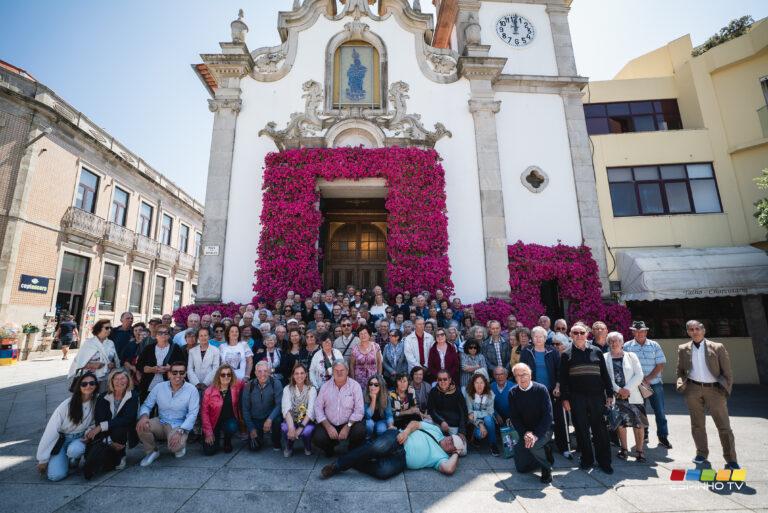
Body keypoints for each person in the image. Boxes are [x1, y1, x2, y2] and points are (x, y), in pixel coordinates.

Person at [676, 320, 738, 469]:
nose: (695, 332)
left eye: (697, 329)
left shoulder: (717, 347)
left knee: (724, 426)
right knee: (697, 425)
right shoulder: (683, 348)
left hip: (714, 390)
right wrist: (681, 384)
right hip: (693, 389)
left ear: (703, 330)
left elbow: (727, 372)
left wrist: (725, 389)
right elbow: (680, 370)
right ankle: (701, 453)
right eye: (691, 329)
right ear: (688, 332)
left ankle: (731, 459)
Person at [320, 419, 466, 480]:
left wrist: (456, 454)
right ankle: (337, 466)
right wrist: (406, 432)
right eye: (451, 438)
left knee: (383, 472)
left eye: (453, 444)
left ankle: (353, 458)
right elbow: (415, 423)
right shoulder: (437, 431)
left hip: (402, 460)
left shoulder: (442, 457)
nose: (449, 441)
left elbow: (448, 469)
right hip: (398, 438)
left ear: (453, 451)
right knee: (377, 448)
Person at [560, 322, 614, 474]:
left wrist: (610, 394)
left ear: (587, 334)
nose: (579, 335)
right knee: (581, 430)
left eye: (582, 332)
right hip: (577, 398)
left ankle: (604, 462)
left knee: (600, 430)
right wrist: (565, 399)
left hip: (597, 397)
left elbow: (604, 374)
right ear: (570, 335)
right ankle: (587, 460)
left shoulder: (597, 351)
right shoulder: (566, 354)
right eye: (575, 333)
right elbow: (563, 379)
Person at [136, 361, 199, 466]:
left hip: (179, 425)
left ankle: (180, 445)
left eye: (181, 372)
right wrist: (144, 417)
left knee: (175, 448)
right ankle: (152, 451)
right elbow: (147, 405)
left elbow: (193, 414)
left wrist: (180, 431)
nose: (178, 375)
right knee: (142, 425)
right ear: (169, 374)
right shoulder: (159, 387)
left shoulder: (192, 390)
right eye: (174, 372)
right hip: (161, 421)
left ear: (185, 374)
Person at [37, 372, 96, 481]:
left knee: (75, 450)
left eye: (92, 383)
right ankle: (61, 459)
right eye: (84, 384)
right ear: (78, 386)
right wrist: (43, 459)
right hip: (61, 440)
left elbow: (94, 423)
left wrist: (89, 432)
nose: (88, 386)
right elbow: (51, 431)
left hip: (80, 438)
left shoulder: (96, 402)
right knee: (55, 476)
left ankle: (74, 460)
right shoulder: (66, 405)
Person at [623, 320, 671, 449]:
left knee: (660, 411)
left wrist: (648, 379)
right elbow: (626, 365)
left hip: (654, 383)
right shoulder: (627, 346)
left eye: (642, 331)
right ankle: (644, 435)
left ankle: (663, 437)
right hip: (636, 386)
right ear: (633, 332)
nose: (639, 333)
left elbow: (660, 364)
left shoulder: (654, 345)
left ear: (646, 332)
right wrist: (636, 381)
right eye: (636, 331)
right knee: (640, 412)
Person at [82, 369, 139, 477]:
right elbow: (99, 419)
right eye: (116, 379)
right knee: (91, 456)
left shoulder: (133, 396)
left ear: (128, 381)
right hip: (105, 433)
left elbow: (128, 419)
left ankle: (120, 455)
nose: (119, 381)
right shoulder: (103, 397)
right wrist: (108, 440)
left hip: (123, 431)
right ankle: (108, 452)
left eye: (123, 378)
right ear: (111, 381)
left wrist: (102, 427)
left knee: (120, 428)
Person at [520, 326, 566, 457]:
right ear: (532, 338)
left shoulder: (552, 351)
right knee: (536, 419)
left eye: (541, 336)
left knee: (558, 418)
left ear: (545, 338)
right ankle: (538, 445)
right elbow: (522, 371)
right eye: (535, 336)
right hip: (534, 391)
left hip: (551, 390)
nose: (538, 339)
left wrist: (558, 386)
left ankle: (563, 447)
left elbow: (559, 371)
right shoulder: (526, 351)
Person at [604, 332, 648, 462]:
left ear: (622, 343)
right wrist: (619, 390)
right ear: (608, 343)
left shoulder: (631, 356)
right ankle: (624, 449)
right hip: (616, 395)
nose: (614, 343)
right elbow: (605, 377)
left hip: (633, 394)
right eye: (611, 341)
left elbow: (639, 374)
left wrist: (627, 389)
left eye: (617, 340)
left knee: (638, 424)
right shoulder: (604, 357)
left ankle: (640, 451)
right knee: (620, 424)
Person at [508, 363, 554, 484]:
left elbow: (548, 416)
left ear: (530, 375)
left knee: (534, 445)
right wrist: (525, 433)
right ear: (515, 378)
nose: (521, 378)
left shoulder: (541, 389)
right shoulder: (513, 392)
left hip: (544, 430)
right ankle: (544, 452)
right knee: (521, 468)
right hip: (526, 432)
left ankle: (546, 468)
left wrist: (536, 435)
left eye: (524, 374)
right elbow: (515, 418)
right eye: (518, 375)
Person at [312, 360, 366, 457]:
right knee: (317, 437)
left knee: (360, 431)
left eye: (342, 370)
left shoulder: (355, 386)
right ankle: (330, 447)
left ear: (347, 371)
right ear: (332, 371)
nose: (339, 373)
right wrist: (328, 426)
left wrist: (348, 426)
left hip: (349, 423)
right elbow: (318, 408)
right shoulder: (325, 387)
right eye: (336, 370)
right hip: (330, 423)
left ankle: (351, 449)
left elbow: (359, 410)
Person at [202, 364, 244, 455]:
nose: (226, 377)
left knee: (232, 426)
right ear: (218, 376)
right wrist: (208, 432)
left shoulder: (236, 386)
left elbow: (247, 384)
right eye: (223, 374)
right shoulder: (209, 391)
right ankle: (211, 436)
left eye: (229, 374)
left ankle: (227, 441)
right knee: (209, 451)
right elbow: (204, 413)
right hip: (213, 422)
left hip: (229, 420)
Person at [242, 361, 284, 451]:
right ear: (255, 373)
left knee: (277, 420)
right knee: (254, 448)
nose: (262, 374)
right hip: (256, 419)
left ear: (269, 372)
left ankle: (276, 441)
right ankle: (259, 435)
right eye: (259, 371)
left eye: (265, 371)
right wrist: (251, 428)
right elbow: (245, 409)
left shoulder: (276, 383)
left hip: (270, 417)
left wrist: (270, 419)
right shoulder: (249, 386)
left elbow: (279, 404)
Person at [69, 319, 118, 392]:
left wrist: (113, 364)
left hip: (106, 379)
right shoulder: (89, 343)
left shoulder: (111, 343)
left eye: (110, 328)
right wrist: (91, 365)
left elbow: (115, 360)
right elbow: (78, 362)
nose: (109, 330)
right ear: (99, 329)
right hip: (89, 379)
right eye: (107, 328)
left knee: (102, 397)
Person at [136, 326, 184, 400]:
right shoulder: (148, 348)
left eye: (166, 333)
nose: (163, 335)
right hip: (149, 385)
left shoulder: (176, 348)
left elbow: (183, 364)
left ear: (169, 335)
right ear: (156, 335)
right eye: (160, 333)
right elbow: (139, 365)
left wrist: (170, 368)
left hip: (169, 385)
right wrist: (150, 369)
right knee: (147, 405)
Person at [281, 363, 317, 457]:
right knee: (285, 427)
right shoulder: (287, 389)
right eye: (296, 373)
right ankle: (289, 446)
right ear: (293, 375)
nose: (299, 376)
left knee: (307, 430)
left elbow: (311, 411)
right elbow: (286, 409)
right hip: (292, 419)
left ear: (306, 375)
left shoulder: (312, 389)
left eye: (302, 373)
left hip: (306, 421)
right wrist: (291, 428)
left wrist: (299, 429)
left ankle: (307, 447)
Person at [464, 371, 498, 456]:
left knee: (488, 419)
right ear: (473, 384)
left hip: (488, 420)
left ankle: (493, 444)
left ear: (485, 384)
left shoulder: (490, 394)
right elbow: (470, 414)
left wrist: (475, 414)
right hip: (474, 422)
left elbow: (490, 412)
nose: (479, 385)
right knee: (480, 434)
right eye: (476, 383)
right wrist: (480, 424)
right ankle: (476, 439)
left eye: (481, 383)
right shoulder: (469, 394)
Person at [427, 370, 467, 436]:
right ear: (437, 380)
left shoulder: (457, 392)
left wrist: (462, 431)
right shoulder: (433, 391)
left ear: (450, 380)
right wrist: (441, 422)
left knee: (459, 442)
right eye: (440, 379)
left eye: (445, 379)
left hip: (453, 425)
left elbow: (464, 411)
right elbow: (431, 410)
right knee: (425, 424)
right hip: (438, 423)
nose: (442, 381)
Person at [364, 374, 394, 438]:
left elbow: (389, 415)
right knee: (369, 424)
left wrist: (390, 426)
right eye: (371, 384)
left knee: (381, 430)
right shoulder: (365, 395)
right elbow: (367, 416)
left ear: (381, 386)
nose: (372, 386)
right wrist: (373, 399)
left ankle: (378, 441)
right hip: (369, 421)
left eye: (376, 385)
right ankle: (367, 438)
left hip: (381, 421)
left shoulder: (385, 397)